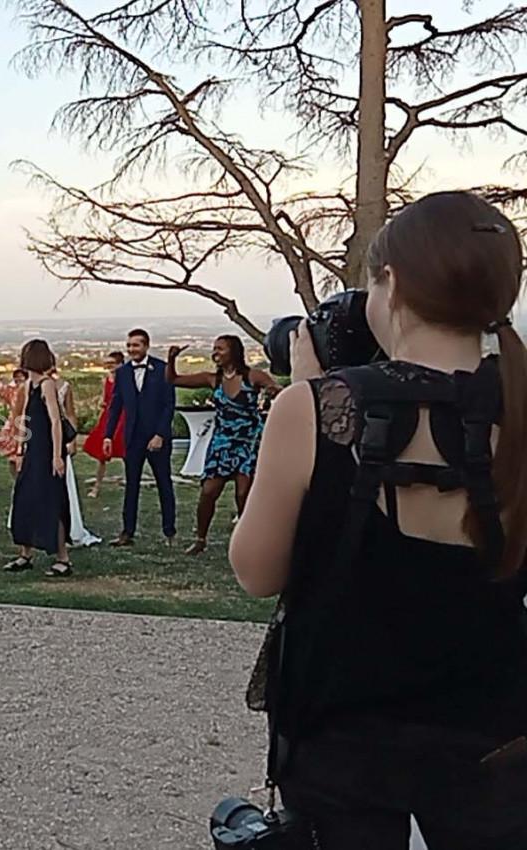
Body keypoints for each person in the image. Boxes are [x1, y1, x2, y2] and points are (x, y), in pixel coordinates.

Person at [231, 192, 527, 849]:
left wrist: (305, 394)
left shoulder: (318, 408)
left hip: (344, 744)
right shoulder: (519, 407)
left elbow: (256, 571)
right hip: (493, 746)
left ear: (389, 283)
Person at [167, 336, 279, 554]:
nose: (215, 353)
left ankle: (249, 538)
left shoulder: (252, 376)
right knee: (209, 491)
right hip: (222, 443)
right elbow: (173, 380)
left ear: (233, 352)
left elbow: (273, 386)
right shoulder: (213, 379)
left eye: (220, 349)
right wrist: (171, 359)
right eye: (214, 349)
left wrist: (272, 390)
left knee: (243, 493)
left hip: (248, 442)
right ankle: (200, 539)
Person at [5, 340, 73, 576]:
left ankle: (63, 558)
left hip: (47, 451)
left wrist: (56, 456)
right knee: (25, 498)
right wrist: (21, 450)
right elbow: (26, 420)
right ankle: (25, 553)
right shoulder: (28, 386)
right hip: (33, 450)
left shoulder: (47, 385)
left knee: (51, 500)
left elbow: (55, 421)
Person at [104, 330, 176, 547]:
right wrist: (108, 435)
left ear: (146, 346)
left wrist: (160, 434)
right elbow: (115, 406)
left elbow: (168, 405)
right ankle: (127, 532)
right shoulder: (123, 372)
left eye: (135, 345)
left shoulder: (162, 369)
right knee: (131, 485)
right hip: (132, 437)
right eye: (129, 345)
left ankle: (169, 531)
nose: (131, 349)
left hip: (157, 437)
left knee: (164, 482)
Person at [54, 371, 103, 547]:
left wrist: (72, 440)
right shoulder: (29, 385)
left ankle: (69, 528)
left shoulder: (64, 386)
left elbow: (70, 414)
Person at [83, 351, 127, 498]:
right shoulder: (106, 380)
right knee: (102, 454)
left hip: (124, 417)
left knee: (125, 450)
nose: (110, 367)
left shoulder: (127, 379)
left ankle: (129, 483)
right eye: (107, 365)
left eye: (112, 364)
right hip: (108, 417)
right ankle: (97, 486)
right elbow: (105, 399)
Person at [0, 368, 28, 475]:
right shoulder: (11, 391)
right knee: (12, 458)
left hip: (26, 423)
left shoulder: (30, 391)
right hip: (13, 425)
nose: (19, 379)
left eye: (21, 376)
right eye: (16, 377)